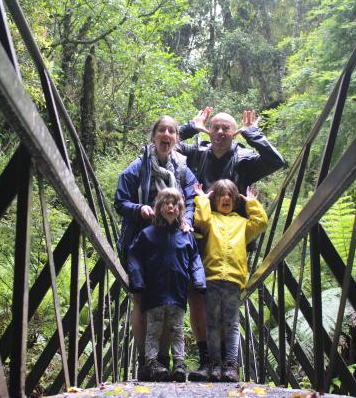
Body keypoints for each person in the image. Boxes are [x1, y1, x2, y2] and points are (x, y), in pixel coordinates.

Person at [177, 107, 287, 380]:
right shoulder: (197, 153)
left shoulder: (244, 159)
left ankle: (228, 365)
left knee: (226, 308)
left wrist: (253, 134)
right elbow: (162, 143)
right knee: (198, 302)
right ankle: (207, 361)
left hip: (230, 242)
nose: (221, 132)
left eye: (227, 128)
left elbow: (276, 160)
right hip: (197, 237)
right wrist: (192, 125)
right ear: (209, 130)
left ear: (234, 131)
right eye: (215, 127)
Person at [114, 115, 198, 379]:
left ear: (176, 139)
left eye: (172, 131)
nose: (167, 134)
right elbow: (120, 202)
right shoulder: (137, 168)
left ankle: (161, 360)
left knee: (167, 300)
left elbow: (193, 199)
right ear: (154, 137)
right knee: (142, 300)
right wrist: (140, 209)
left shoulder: (183, 170)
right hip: (142, 244)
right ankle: (145, 360)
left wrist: (187, 221)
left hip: (171, 244)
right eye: (162, 130)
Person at [127, 188, 206, 382]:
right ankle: (151, 363)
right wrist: (137, 280)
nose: (170, 207)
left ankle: (179, 364)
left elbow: (195, 259)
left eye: (174, 204)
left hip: (178, 293)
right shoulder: (147, 234)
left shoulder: (186, 235)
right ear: (159, 207)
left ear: (180, 208)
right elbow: (133, 255)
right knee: (153, 330)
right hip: (155, 292)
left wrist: (199, 280)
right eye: (165, 203)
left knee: (177, 330)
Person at [193, 179, 268, 382]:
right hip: (212, 277)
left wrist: (251, 202)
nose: (225, 198)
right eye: (219, 195)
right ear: (215, 200)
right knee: (213, 323)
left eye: (229, 196)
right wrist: (202, 199)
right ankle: (215, 365)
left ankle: (231, 366)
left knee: (231, 324)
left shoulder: (242, 224)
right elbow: (199, 221)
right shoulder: (211, 220)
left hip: (233, 279)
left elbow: (261, 223)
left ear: (235, 201)